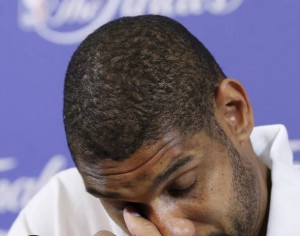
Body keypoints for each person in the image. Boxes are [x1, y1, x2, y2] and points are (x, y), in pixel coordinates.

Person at [8, 15, 300, 236]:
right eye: (126, 209)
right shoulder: (60, 217)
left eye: (182, 186)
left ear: (234, 113)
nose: (171, 230)